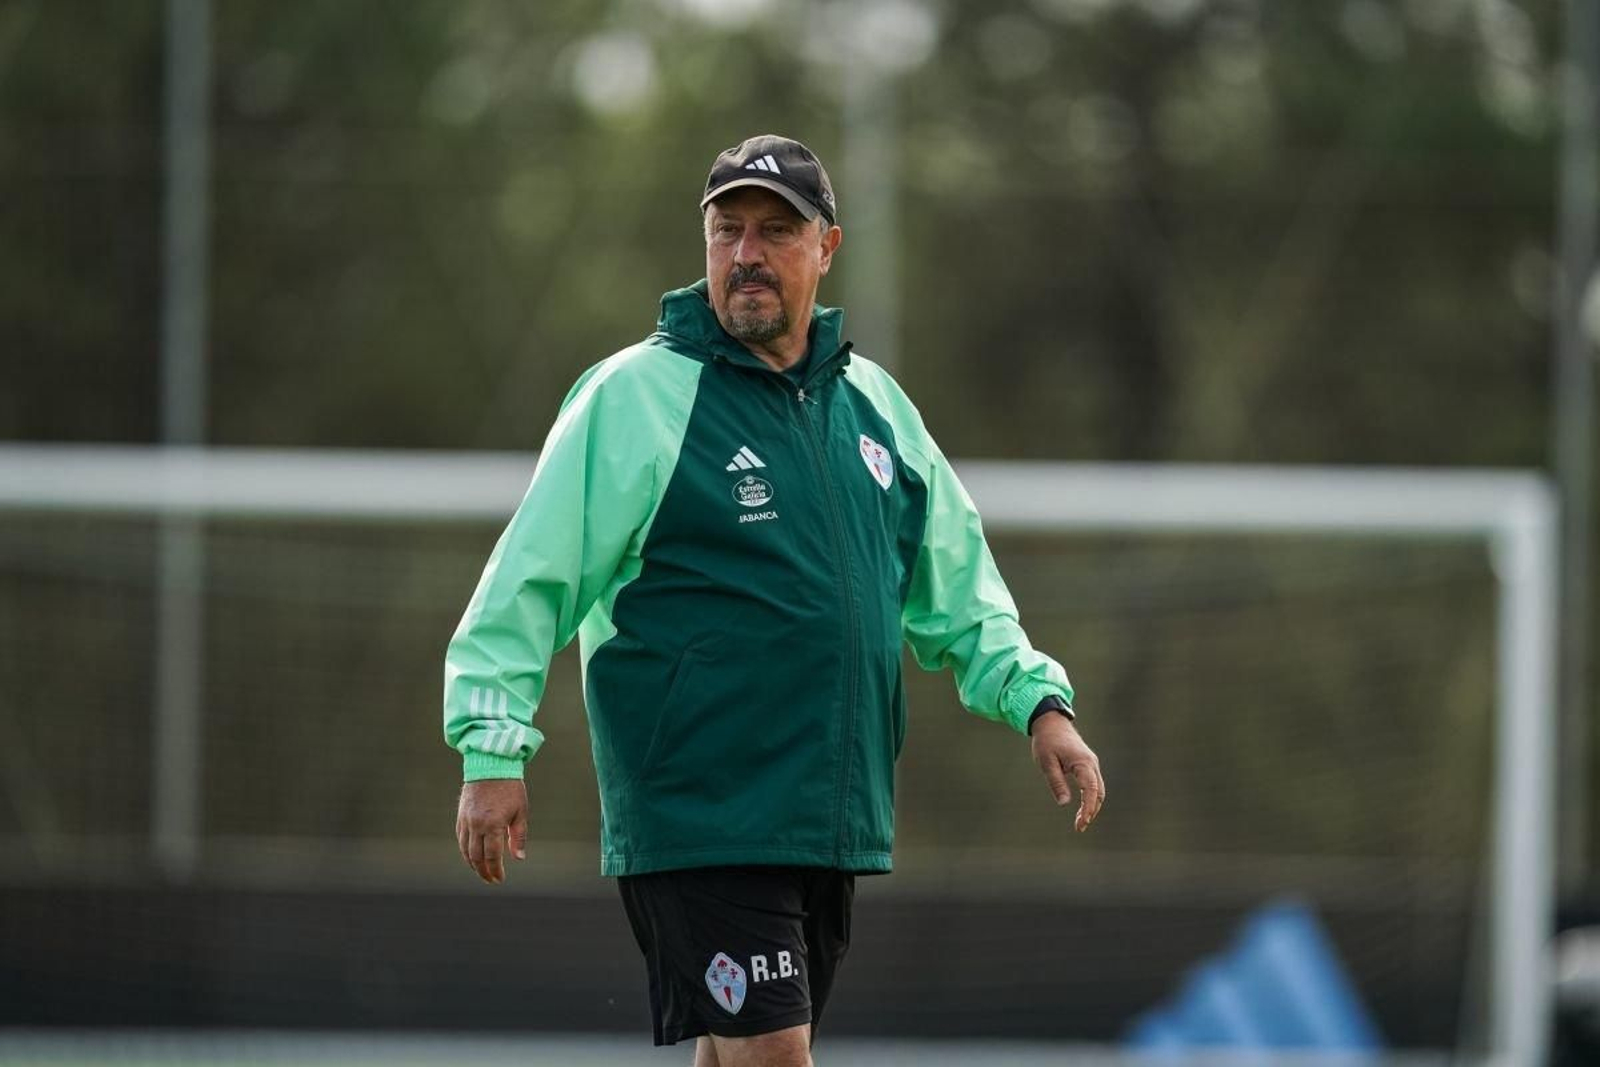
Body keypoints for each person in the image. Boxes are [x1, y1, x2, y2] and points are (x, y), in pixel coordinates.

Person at [444, 133, 1105, 1067]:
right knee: (775, 1055)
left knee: (738, 1057)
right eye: (728, 230)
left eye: (775, 231)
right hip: (700, 807)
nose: (747, 253)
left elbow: (958, 584)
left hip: (825, 812)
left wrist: (1038, 701)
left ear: (825, 249)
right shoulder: (635, 397)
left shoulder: (874, 406)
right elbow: (526, 579)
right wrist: (489, 746)